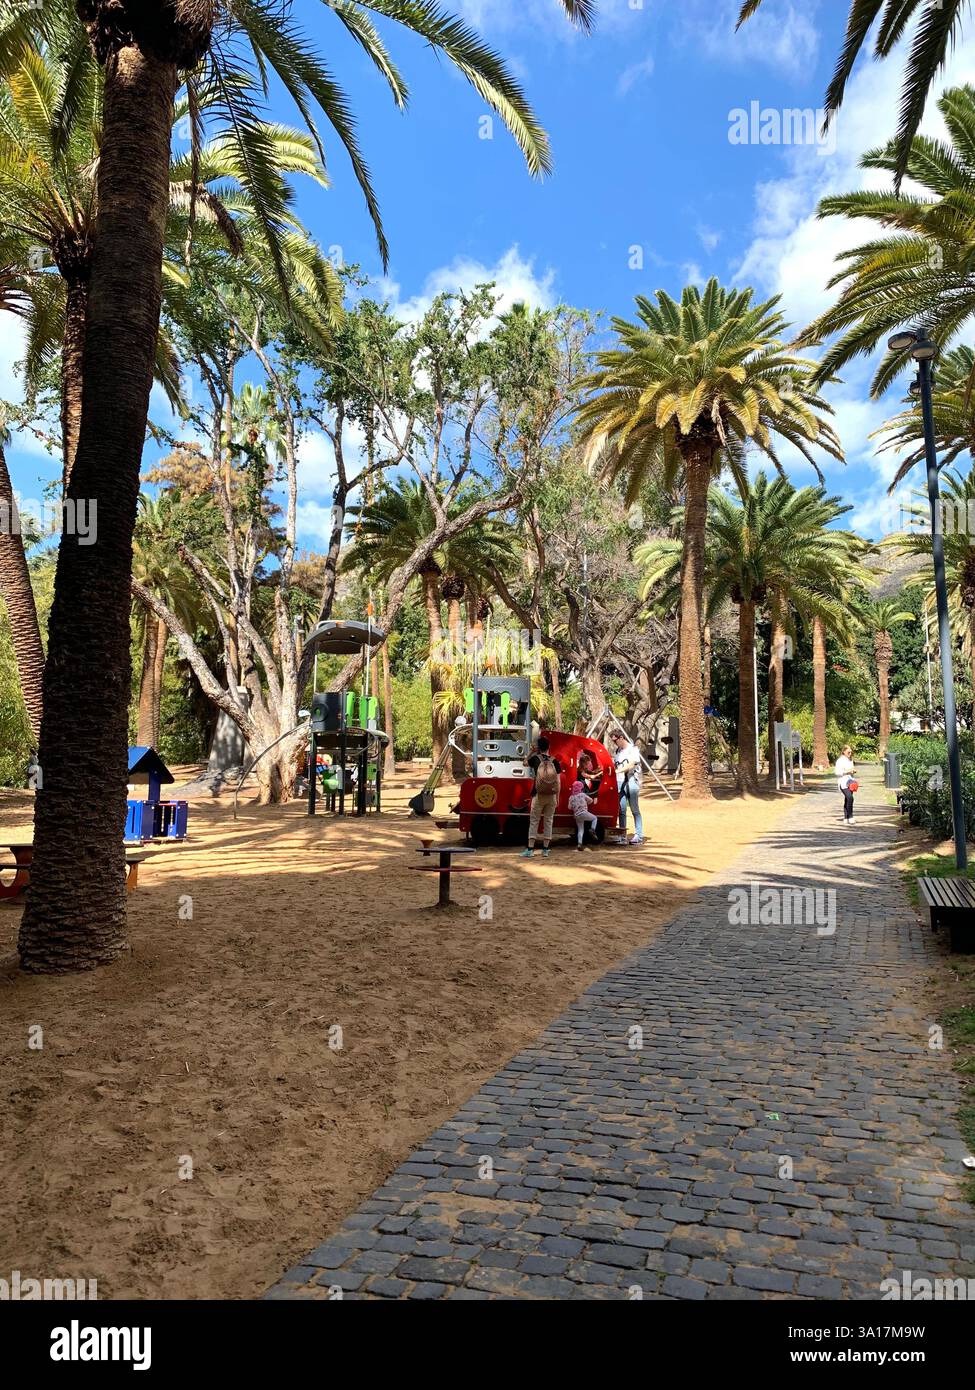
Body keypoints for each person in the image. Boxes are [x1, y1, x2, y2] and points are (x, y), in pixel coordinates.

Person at [522, 735, 563, 858]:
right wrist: (558, 797)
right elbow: (559, 781)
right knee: (548, 821)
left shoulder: (535, 759)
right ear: (549, 747)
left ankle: (530, 849)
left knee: (534, 821)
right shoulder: (555, 761)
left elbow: (524, 763)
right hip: (551, 795)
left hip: (538, 794)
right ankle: (545, 849)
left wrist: (531, 752)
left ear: (539, 748)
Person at [610, 728, 644, 845]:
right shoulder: (618, 751)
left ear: (621, 738)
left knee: (634, 809)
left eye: (615, 740)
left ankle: (639, 835)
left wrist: (618, 771)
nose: (614, 743)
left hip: (631, 781)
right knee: (621, 810)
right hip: (620, 782)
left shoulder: (633, 749)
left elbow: (631, 764)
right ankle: (622, 835)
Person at [567, 779, 599, 851]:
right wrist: (585, 803)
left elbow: (569, 807)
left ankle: (579, 844)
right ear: (580, 788)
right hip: (584, 813)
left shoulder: (571, 797)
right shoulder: (582, 795)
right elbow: (590, 800)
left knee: (580, 830)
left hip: (576, 815)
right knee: (594, 818)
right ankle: (592, 829)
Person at [835, 745, 856, 824]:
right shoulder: (840, 761)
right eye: (848, 752)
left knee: (847, 799)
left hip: (850, 782)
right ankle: (850, 816)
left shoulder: (850, 760)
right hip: (843, 782)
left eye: (851, 752)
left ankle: (846, 817)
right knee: (850, 798)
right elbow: (837, 772)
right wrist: (847, 772)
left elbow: (851, 770)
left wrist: (853, 771)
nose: (850, 753)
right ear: (844, 752)